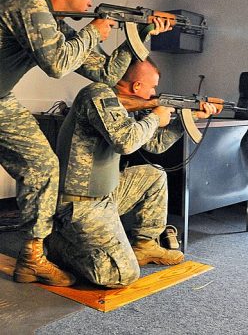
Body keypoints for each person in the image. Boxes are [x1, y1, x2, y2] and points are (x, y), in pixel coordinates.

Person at [0, 0, 170, 286]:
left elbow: (106, 73)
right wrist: (93, 31)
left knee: (43, 167)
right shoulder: (27, 2)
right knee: (44, 167)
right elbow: (57, 64)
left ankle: (33, 257)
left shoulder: (55, 25)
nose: (91, 2)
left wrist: (142, 33)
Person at [45, 58, 219, 288]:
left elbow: (154, 144)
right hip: (78, 204)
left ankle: (145, 245)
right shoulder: (97, 94)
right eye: (153, 87)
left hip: (106, 195)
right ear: (136, 87)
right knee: (121, 274)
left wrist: (188, 120)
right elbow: (125, 142)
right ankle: (58, 245)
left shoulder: (123, 107)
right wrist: (156, 116)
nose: (155, 92)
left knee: (154, 174)